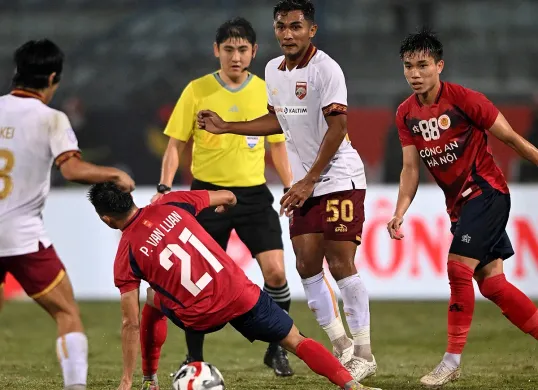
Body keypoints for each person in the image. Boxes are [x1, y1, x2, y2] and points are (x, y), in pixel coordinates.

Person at [197, 0, 377, 383]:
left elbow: (338, 129)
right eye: (281, 26)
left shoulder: (326, 69)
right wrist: (228, 126)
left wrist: (308, 180)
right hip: (304, 184)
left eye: (296, 26)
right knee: (306, 266)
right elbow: (276, 118)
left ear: (312, 30)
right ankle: (342, 347)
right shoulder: (272, 71)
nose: (288, 34)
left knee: (341, 263)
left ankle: (364, 351)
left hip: (339, 179)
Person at [87, 182, 382, 390]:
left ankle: (149, 380)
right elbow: (228, 196)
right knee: (295, 340)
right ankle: (351, 384)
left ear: (106, 219)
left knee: (151, 299)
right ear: (130, 198)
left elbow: (130, 322)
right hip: (240, 296)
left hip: (199, 317)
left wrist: (125, 378)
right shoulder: (170, 201)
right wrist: (225, 206)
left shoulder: (125, 253)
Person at [387, 27, 538, 388]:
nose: (415, 73)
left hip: (488, 195)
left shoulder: (466, 100)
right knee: (494, 286)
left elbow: (513, 140)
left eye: (423, 65)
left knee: (458, 269)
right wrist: (399, 211)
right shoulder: (405, 114)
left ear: (440, 65)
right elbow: (411, 169)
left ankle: (451, 362)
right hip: (459, 207)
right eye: (408, 66)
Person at [150, 17, 294, 381]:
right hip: (206, 196)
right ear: (216, 50)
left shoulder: (267, 90)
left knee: (276, 272)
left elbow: (278, 146)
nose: (235, 56)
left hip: (254, 195)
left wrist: (291, 186)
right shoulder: (197, 90)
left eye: (242, 49)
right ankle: (193, 358)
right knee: (196, 281)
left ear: (254, 52)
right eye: (228, 49)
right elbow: (175, 143)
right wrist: (166, 188)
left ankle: (276, 349)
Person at [0, 40, 135, 390]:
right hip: (24, 238)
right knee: (66, 312)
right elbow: (72, 169)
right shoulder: (51, 119)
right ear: (53, 77)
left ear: (17, 72)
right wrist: (113, 174)